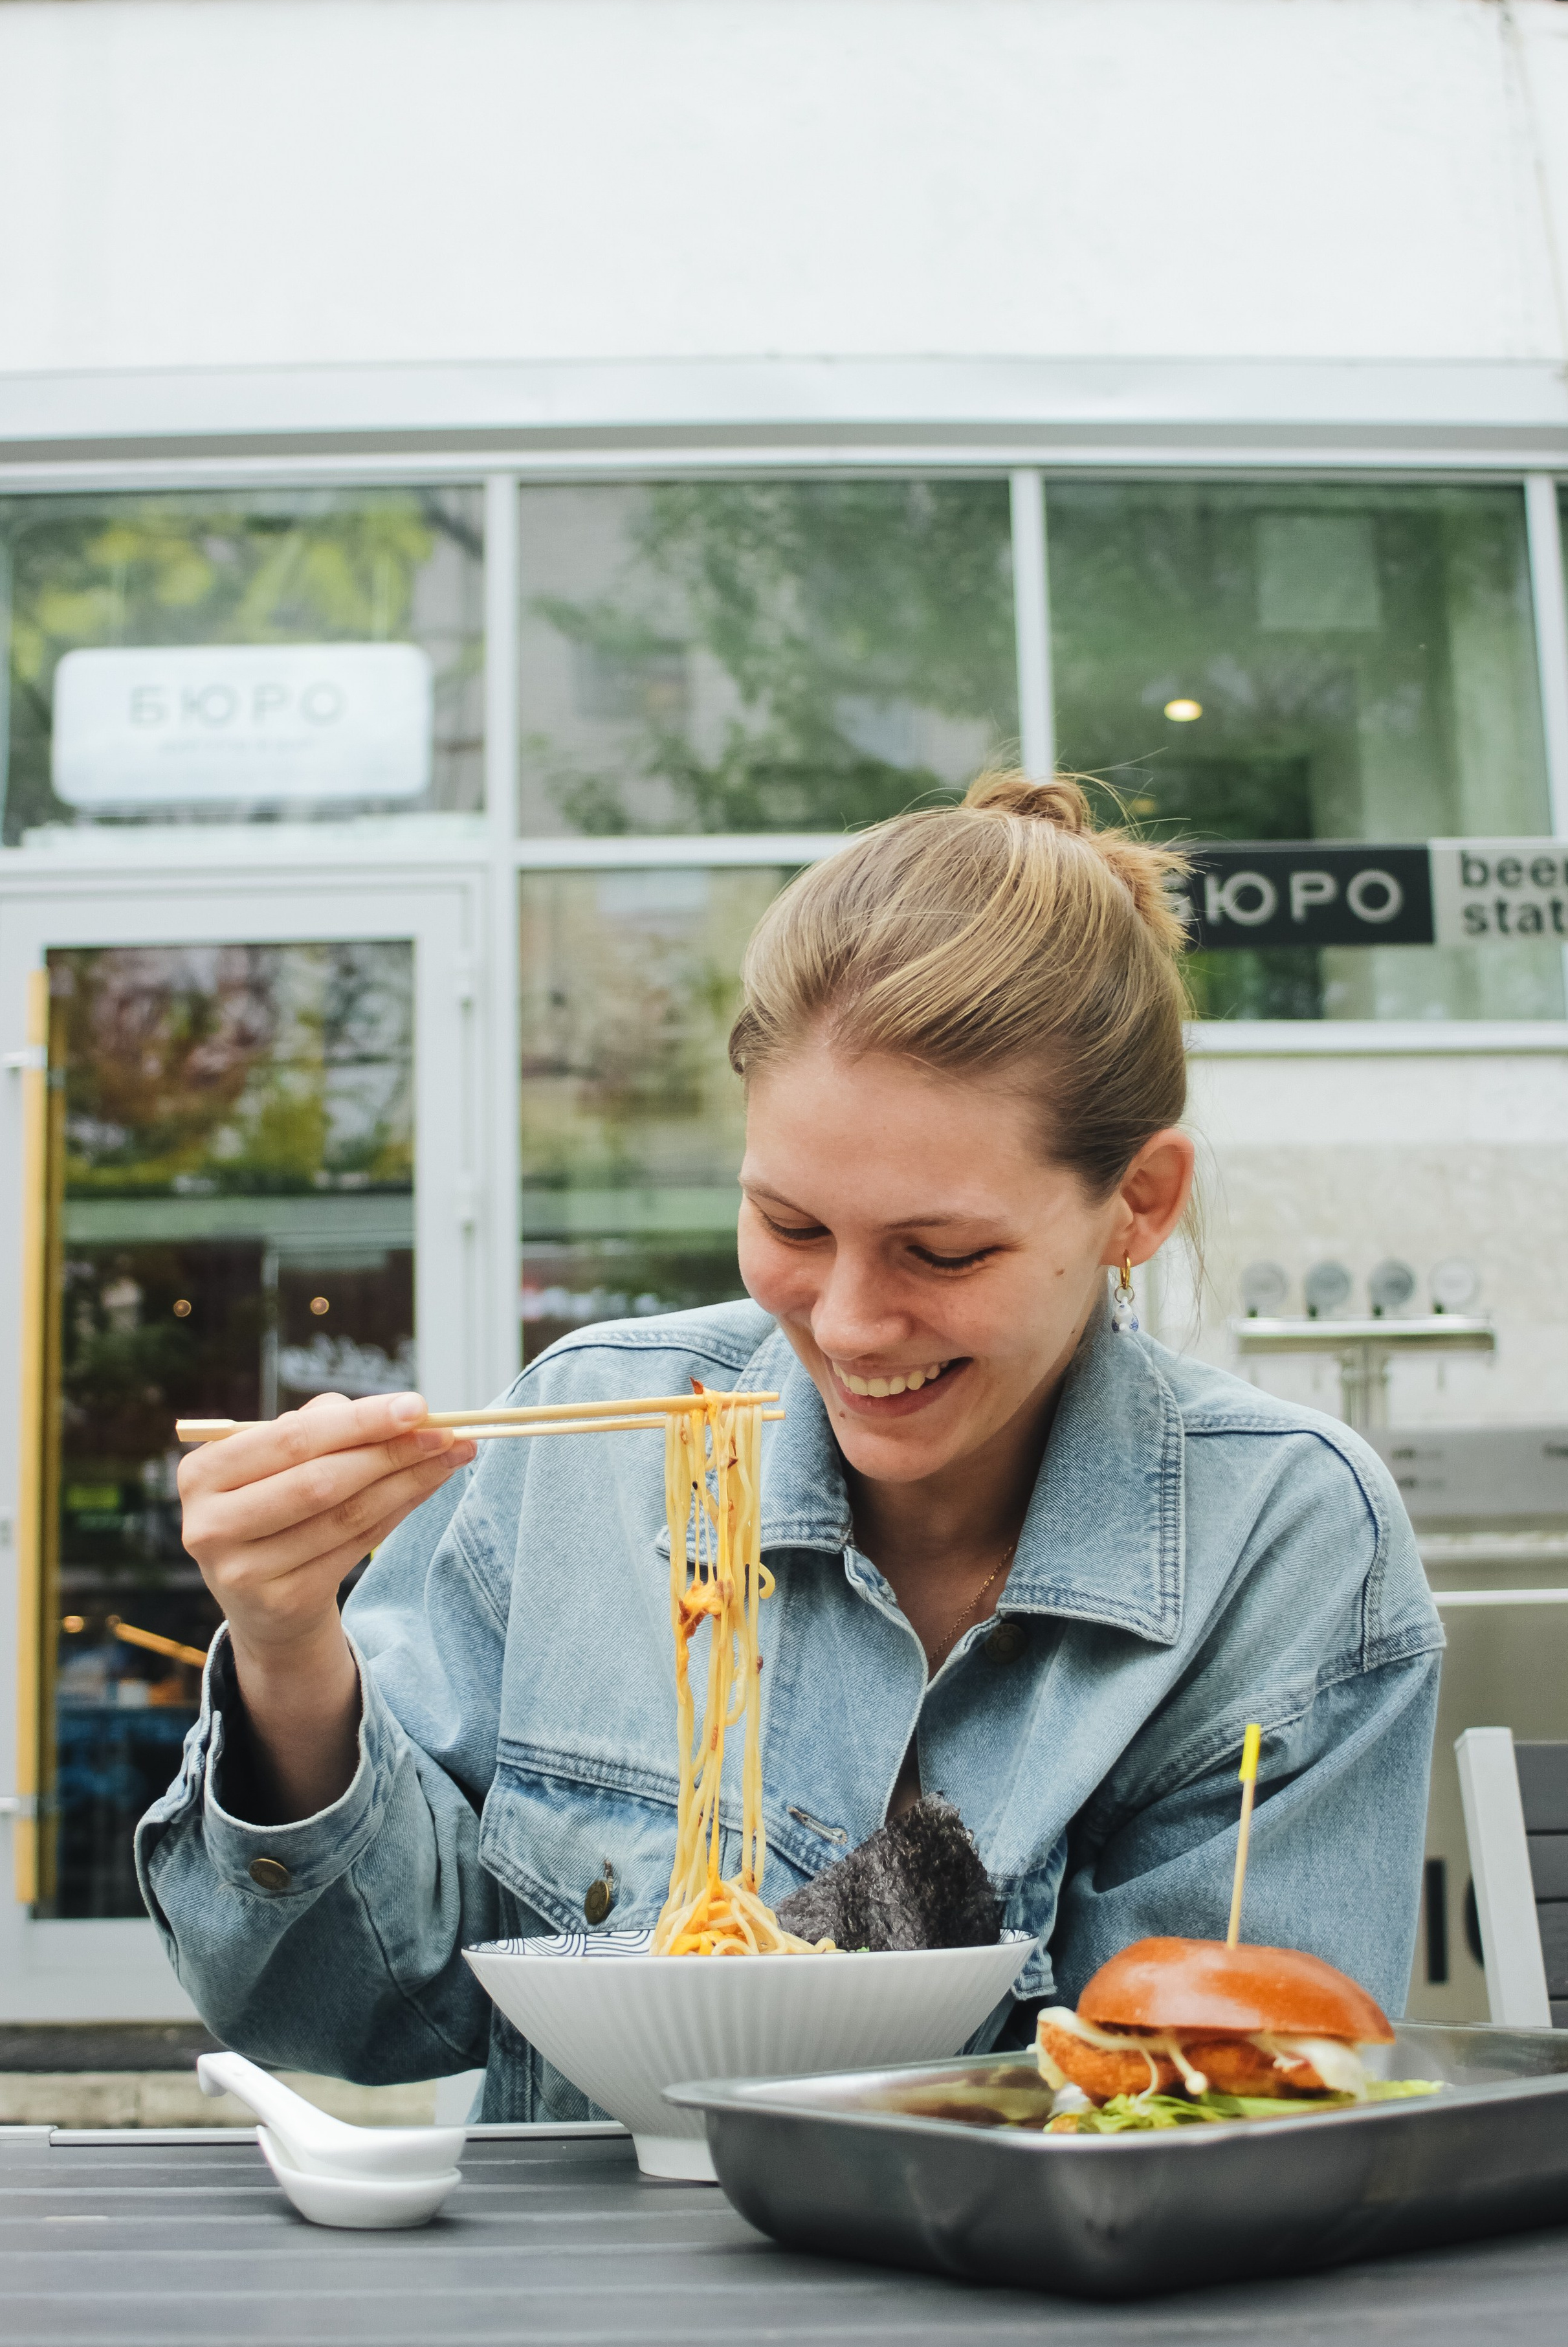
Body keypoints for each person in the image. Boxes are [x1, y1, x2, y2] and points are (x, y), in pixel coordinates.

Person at [137, 775, 1442, 2119]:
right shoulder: (589, 1445)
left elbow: (1215, 2114)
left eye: (943, 1252)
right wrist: (290, 1650)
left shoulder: (1283, 1542)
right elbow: (351, 2014)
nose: (852, 1323)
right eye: (791, 1227)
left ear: (1139, 1204)